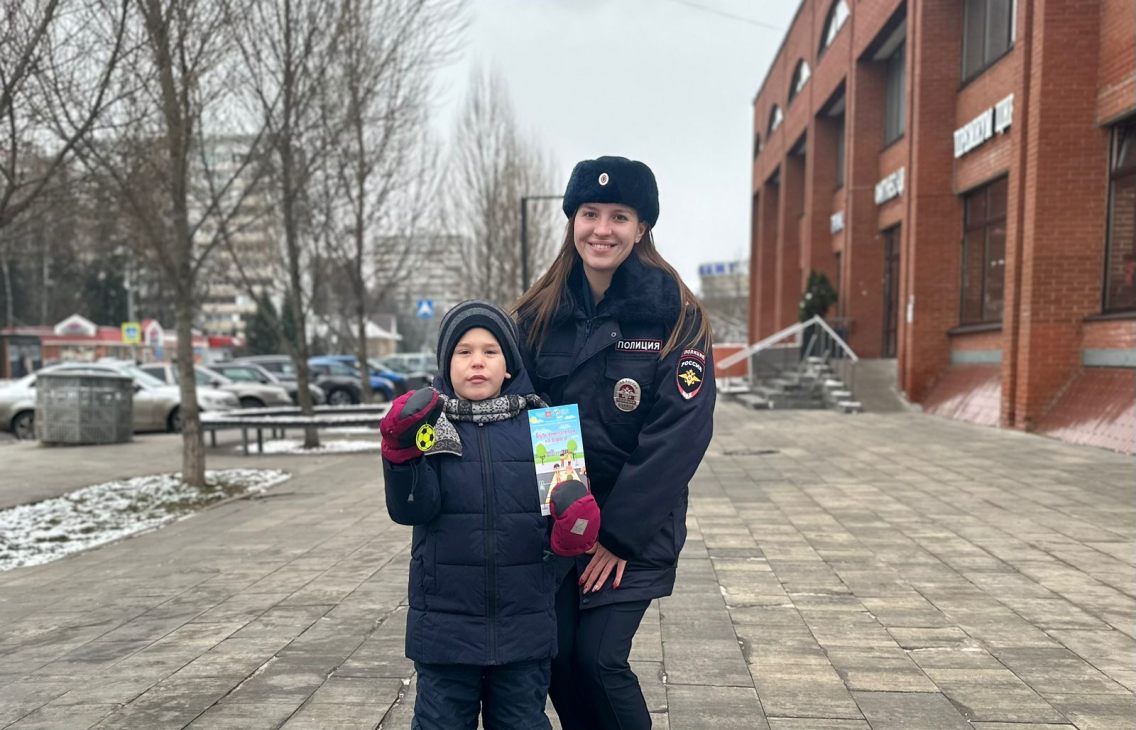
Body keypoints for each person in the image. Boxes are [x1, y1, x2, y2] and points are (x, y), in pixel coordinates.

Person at [514, 156, 716, 730]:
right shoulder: (536, 315)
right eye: (589, 213)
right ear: (572, 220)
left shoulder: (677, 316)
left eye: (619, 216)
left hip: (635, 530)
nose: (602, 229)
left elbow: (681, 434)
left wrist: (616, 536)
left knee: (598, 660)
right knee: (555, 661)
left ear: (643, 227)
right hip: (557, 527)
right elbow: (526, 412)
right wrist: (570, 524)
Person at [380, 300, 596, 730]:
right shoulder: (429, 425)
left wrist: (573, 535)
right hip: (445, 627)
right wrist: (400, 457)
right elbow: (412, 510)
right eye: (463, 351)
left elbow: (567, 523)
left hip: (525, 624)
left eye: (490, 351)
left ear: (509, 365)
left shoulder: (545, 426)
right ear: (447, 363)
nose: (476, 362)